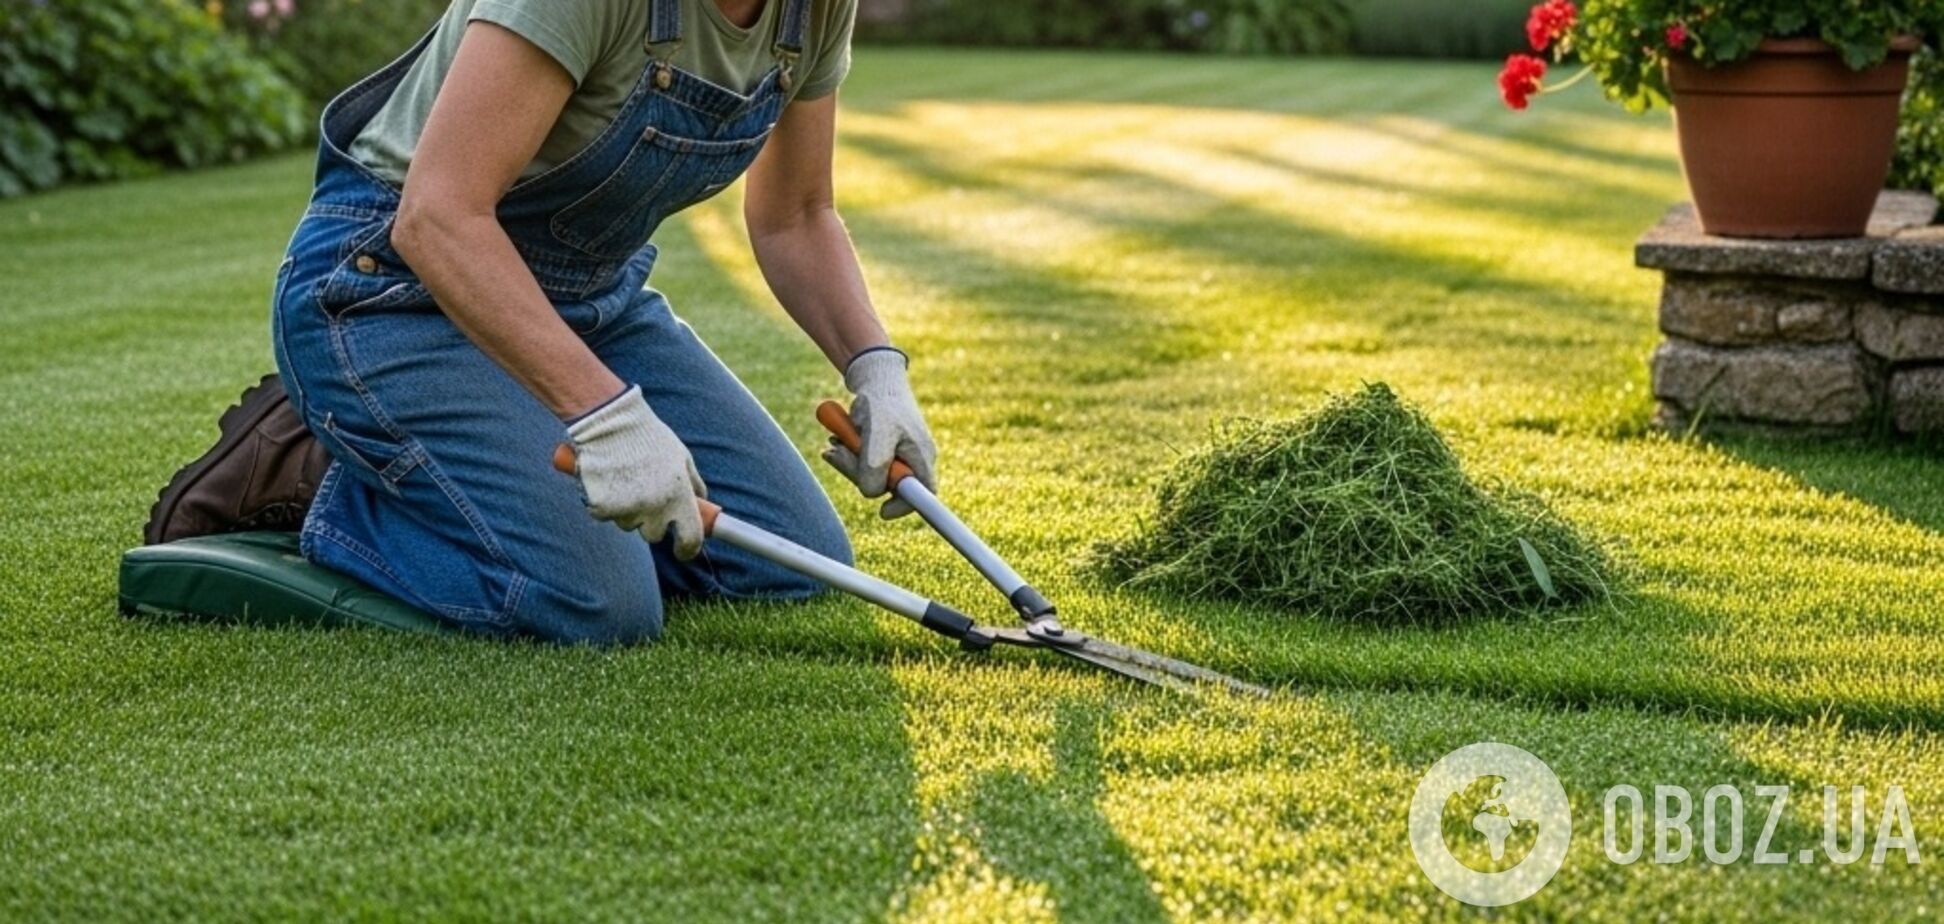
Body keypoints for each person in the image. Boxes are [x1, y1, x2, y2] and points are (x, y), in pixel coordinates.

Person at [144, 0, 938, 643]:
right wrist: (605, 414)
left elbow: (797, 214)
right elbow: (437, 218)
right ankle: (332, 480)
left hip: (589, 300)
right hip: (390, 296)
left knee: (797, 563)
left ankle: (500, 482)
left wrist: (875, 366)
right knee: (599, 605)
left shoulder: (817, 8)